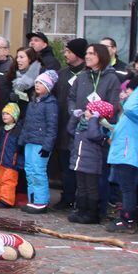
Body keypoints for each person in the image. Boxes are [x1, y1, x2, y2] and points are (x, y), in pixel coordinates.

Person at [67, 43, 122, 216]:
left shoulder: (111, 79)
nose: (88, 56)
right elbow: (72, 97)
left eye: (92, 53)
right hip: (81, 130)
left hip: (98, 132)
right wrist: (74, 111)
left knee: (95, 176)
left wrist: (98, 115)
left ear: (101, 56)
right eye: (87, 53)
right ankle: (81, 207)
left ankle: (96, 210)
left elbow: (114, 105)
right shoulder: (82, 76)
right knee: (80, 172)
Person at [106, 79, 138, 233]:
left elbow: (131, 108)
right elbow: (121, 128)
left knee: (127, 188)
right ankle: (126, 215)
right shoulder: (127, 111)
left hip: (129, 154)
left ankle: (128, 219)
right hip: (122, 153)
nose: (123, 94)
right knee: (124, 187)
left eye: (127, 91)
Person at [52, 37, 88, 210]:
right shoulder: (62, 74)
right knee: (64, 165)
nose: (65, 54)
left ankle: (79, 198)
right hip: (62, 127)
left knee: (78, 166)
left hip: (80, 127)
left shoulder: (87, 75)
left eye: (69, 51)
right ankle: (67, 196)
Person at [67, 100, 115, 225]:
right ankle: (81, 211)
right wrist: (74, 117)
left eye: (89, 110)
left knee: (91, 189)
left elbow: (93, 135)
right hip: (79, 162)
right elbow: (70, 130)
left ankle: (92, 214)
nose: (85, 112)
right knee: (81, 188)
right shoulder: (82, 126)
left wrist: (94, 119)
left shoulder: (99, 128)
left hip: (92, 165)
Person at [17, 70, 59, 213]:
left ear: (48, 86)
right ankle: (33, 199)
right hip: (29, 141)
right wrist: (21, 142)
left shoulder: (51, 104)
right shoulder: (33, 102)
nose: (37, 85)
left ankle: (41, 201)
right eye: (36, 82)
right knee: (29, 170)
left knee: (38, 171)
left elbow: (52, 127)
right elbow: (26, 123)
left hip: (41, 144)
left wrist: (47, 146)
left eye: (41, 83)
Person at [0, 104, 22, 208]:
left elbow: (19, 147)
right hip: (1, 160)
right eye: (3, 113)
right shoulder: (3, 130)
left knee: (8, 180)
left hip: (11, 161)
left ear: (14, 116)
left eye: (8, 114)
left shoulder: (18, 130)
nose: (4, 116)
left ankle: (7, 200)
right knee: (0, 179)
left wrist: (16, 159)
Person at [8, 46, 41, 115]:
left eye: (21, 57)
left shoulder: (39, 76)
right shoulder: (13, 73)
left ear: (30, 59)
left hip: (31, 115)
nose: (18, 60)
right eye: (17, 57)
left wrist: (21, 97)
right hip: (15, 115)